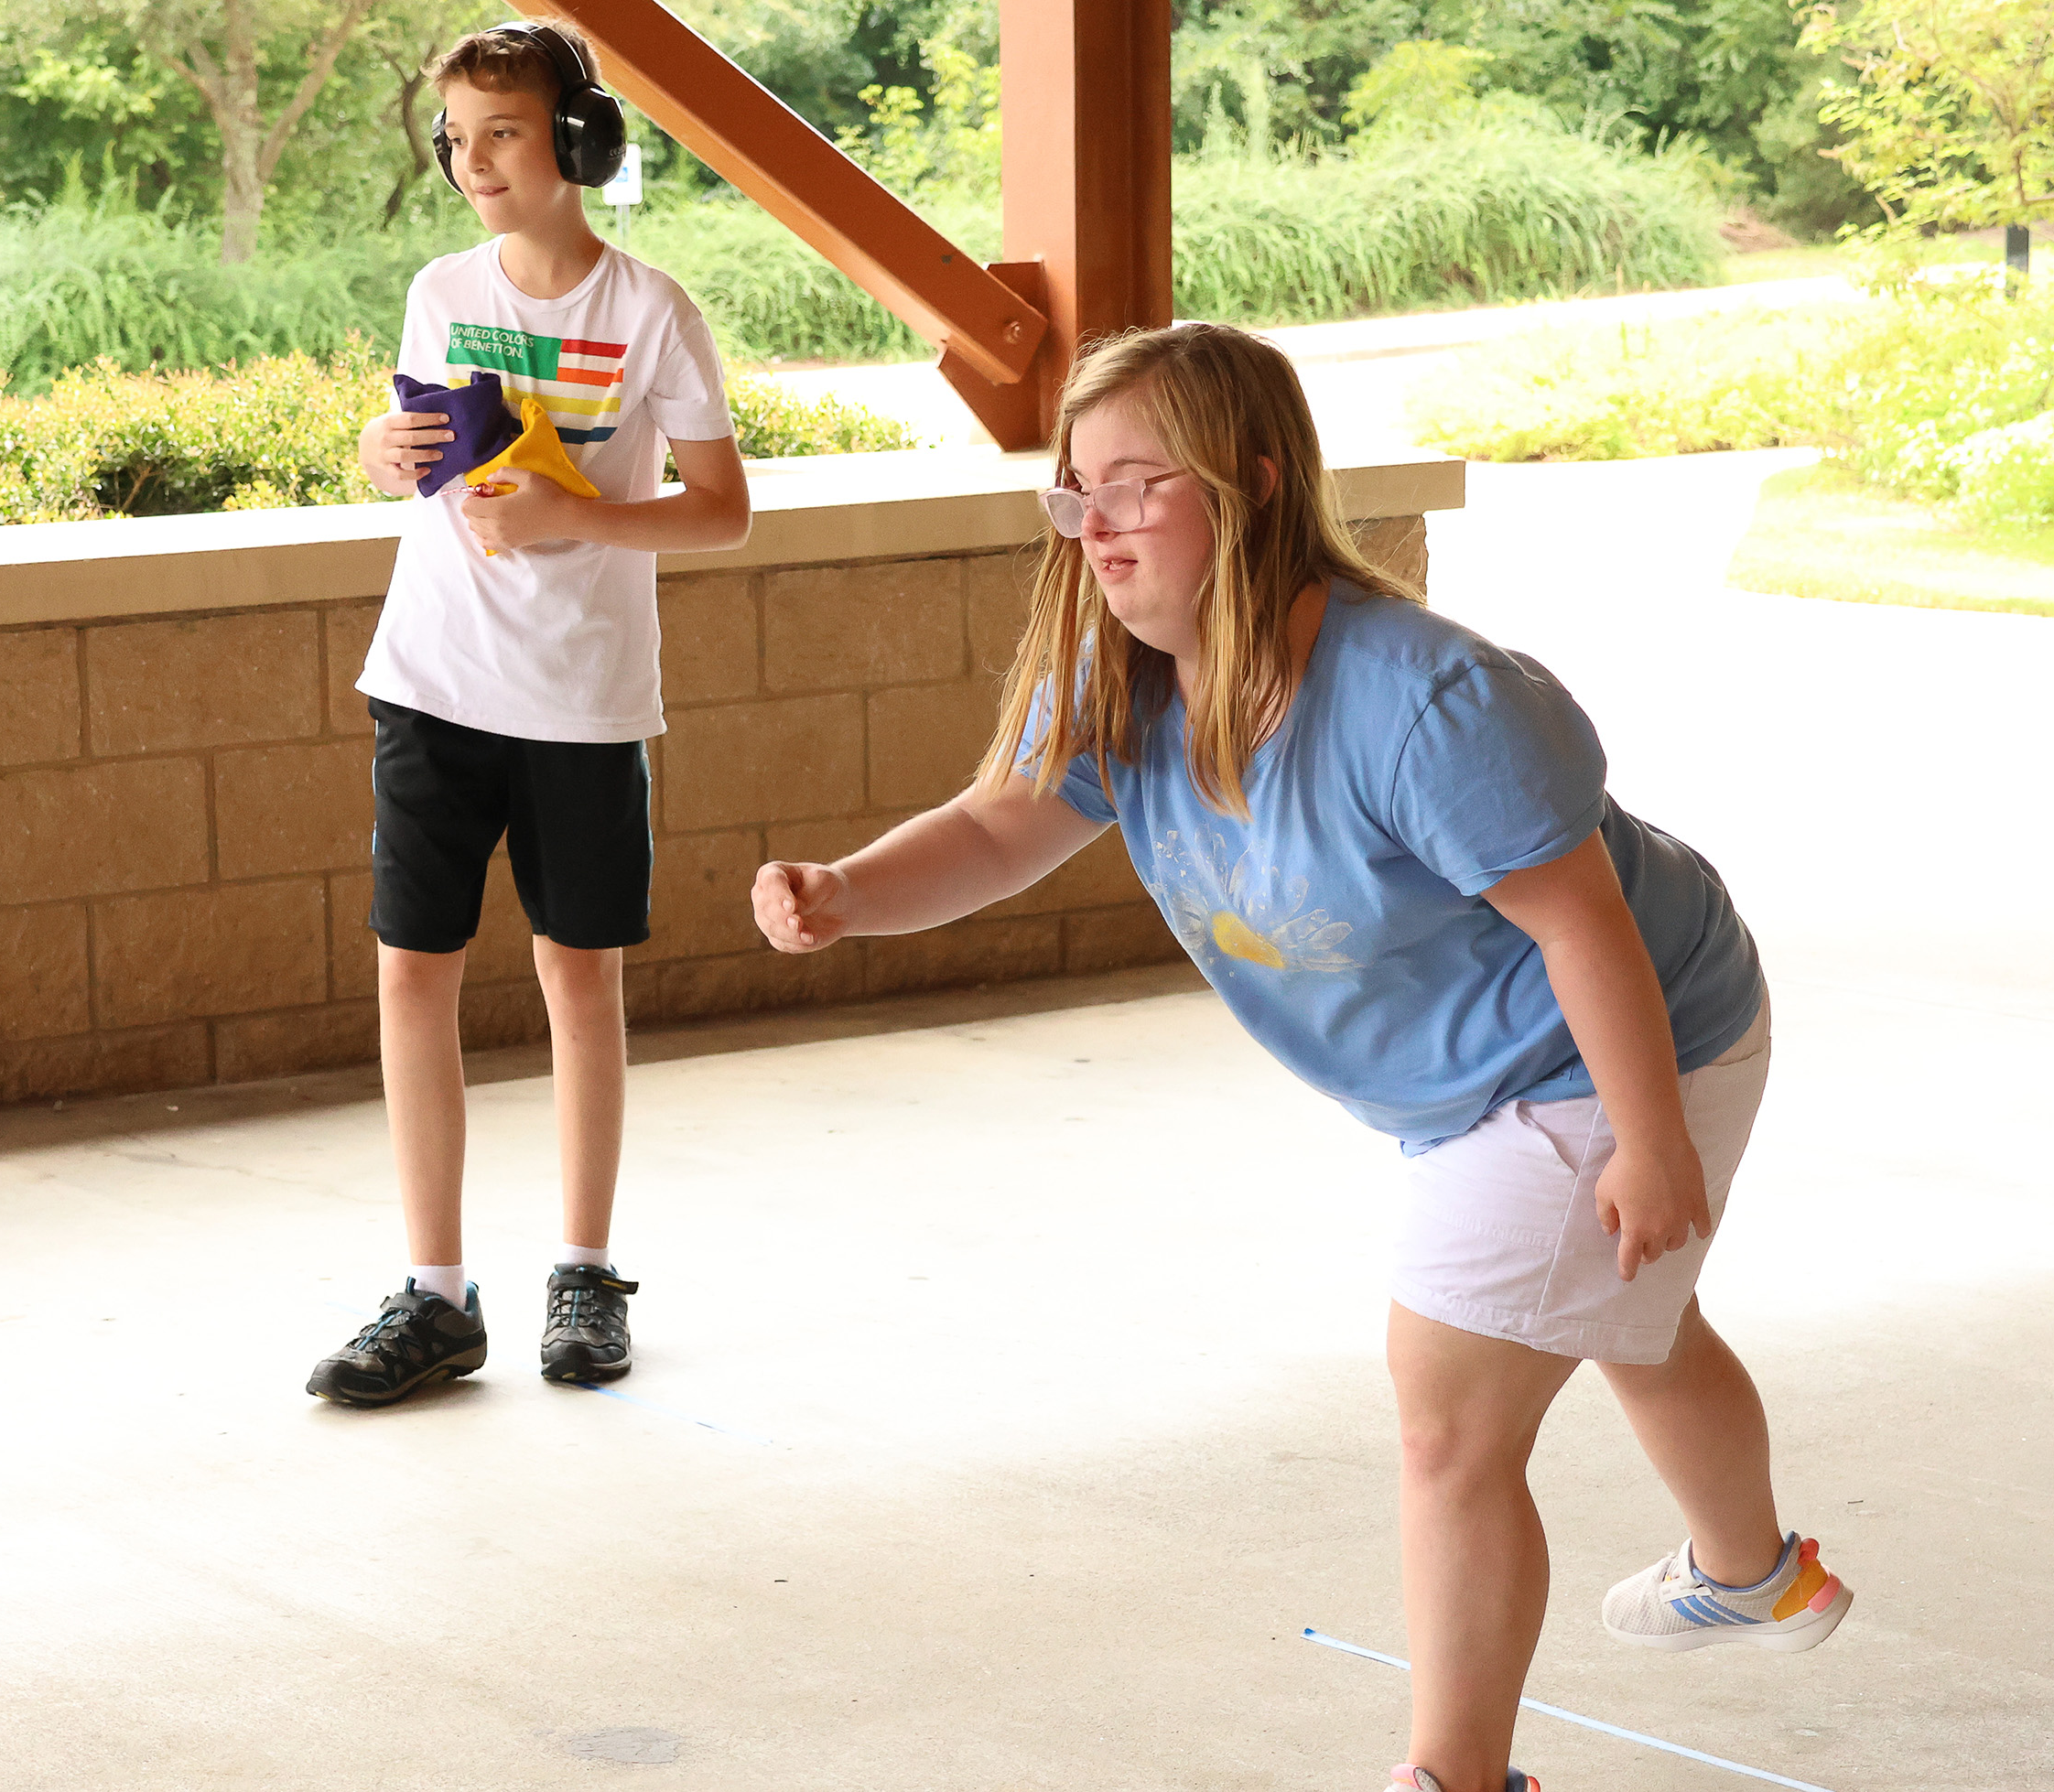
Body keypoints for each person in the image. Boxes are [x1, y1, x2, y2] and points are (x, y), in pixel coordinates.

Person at [748, 324, 1848, 1792]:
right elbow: (1000, 822)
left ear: (1253, 486)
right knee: (1614, 1316)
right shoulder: (1124, 673)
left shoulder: (1426, 701)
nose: (1101, 527)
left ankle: (1454, 1778)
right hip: (1463, 1078)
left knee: (1449, 1413)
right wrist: (852, 891)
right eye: (1077, 493)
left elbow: (1587, 927)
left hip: (1617, 1035)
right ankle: (1756, 1574)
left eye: (1141, 485)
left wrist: (1652, 1142)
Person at [309, 19, 750, 1409]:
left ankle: (585, 1271)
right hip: (432, 680)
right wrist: (381, 451)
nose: (473, 159)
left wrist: (584, 513)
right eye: (456, 135)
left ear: (577, 141)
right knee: (412, 973)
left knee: (580, 977)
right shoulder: (440, 289)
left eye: (502, 131)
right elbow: (421, 454)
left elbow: (725, 510)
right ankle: (437, 1295)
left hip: (580, 697)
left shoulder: (650, 310)